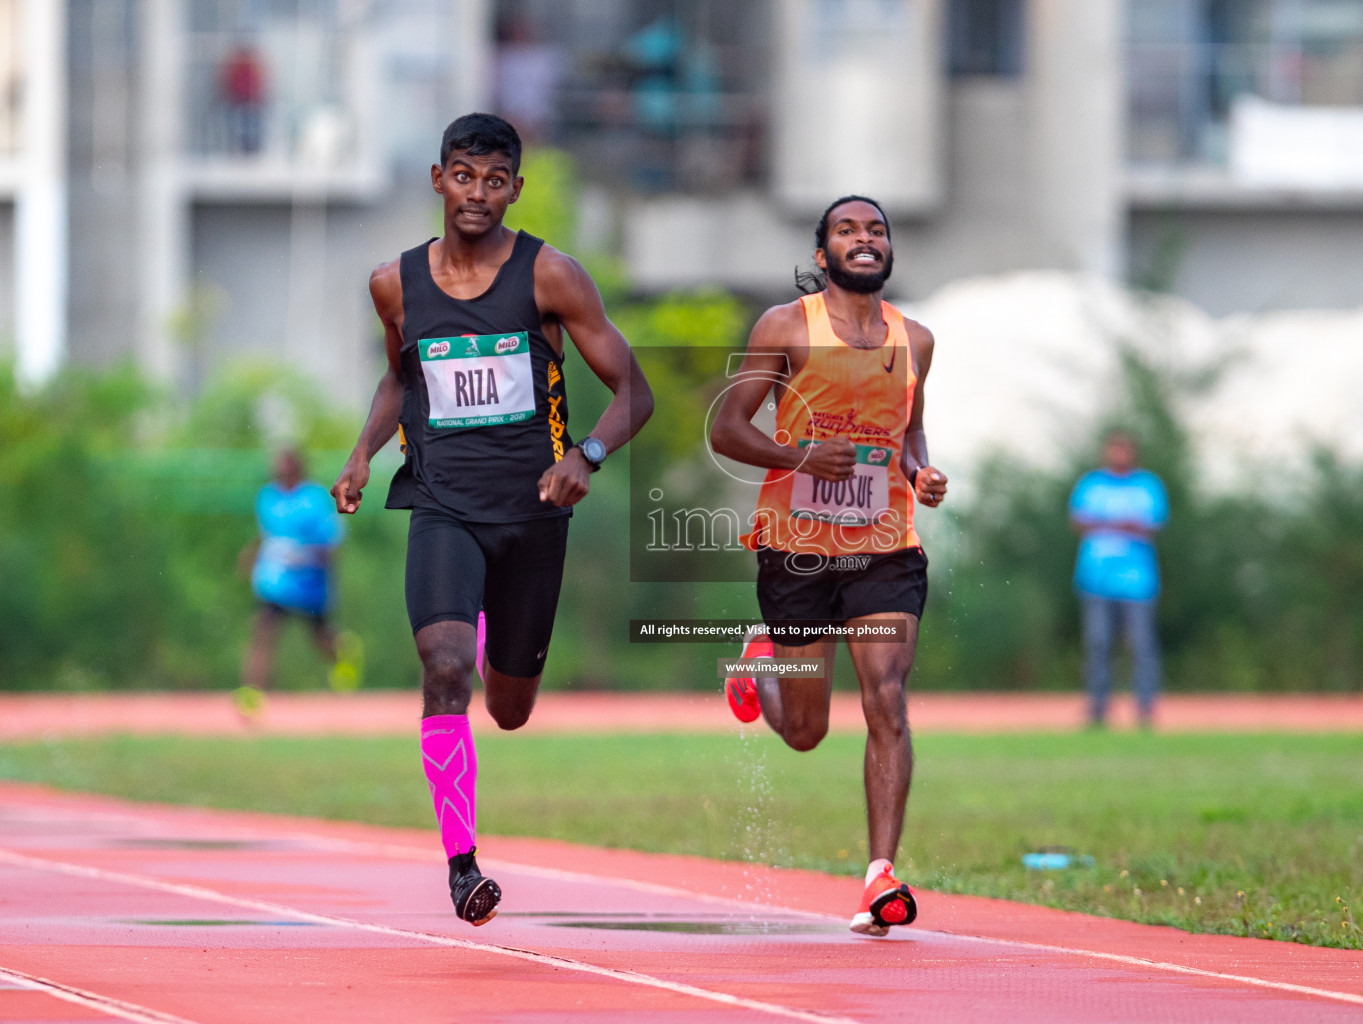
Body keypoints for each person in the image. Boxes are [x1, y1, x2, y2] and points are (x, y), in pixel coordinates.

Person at [330, 113, 652, 927]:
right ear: (439, 179)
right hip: (441, 505)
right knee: (444, 669)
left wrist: (586, 457)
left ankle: (485, 634)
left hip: (533, 515)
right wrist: (364, 451)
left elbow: (632, 392)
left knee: (508, 706)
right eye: (463, 176)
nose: (478, 194)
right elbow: (400, 379)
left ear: (515, 187)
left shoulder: (552, 276)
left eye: (495, 180)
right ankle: (462, 864)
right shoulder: (393, 284)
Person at [710, 196, 947, 937]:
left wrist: (923, 472)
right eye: (847, 230)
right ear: (823, 255)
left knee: (888, 696)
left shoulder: (918, 339)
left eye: (876, 230)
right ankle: (758, 668)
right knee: (806, 731)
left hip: (886, 545)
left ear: (889, 249)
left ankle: (880, 875)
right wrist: (800, 455)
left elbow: (910, 434)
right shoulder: (785, 327)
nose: (864, 239)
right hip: (798, 548)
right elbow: (726, 428)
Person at [237, 448, 352, 716]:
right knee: (262, 630)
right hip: (273, 583)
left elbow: (331, 541)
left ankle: (343, 653)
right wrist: (251, 554)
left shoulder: (314, 498)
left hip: (308, 584)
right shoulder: (267, 497)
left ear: (297, 468)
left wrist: (308, 557)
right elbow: (268, 534)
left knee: (320, 638)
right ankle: (252, 696)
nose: (279, 471)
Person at [1069, 430, 1169, 729]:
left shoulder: (1148, 485)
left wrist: (1105, 522)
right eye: (1114, 449)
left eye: (1124, 450)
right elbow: (1078, 521)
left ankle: (1145, 709)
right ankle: (1098, 710)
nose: (1119, 456)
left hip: (1138, 582)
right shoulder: (1091, 484)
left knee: (1141, 645)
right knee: (1098, 645)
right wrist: (1123, 524)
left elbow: (1153, 525)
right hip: (1096, 580)